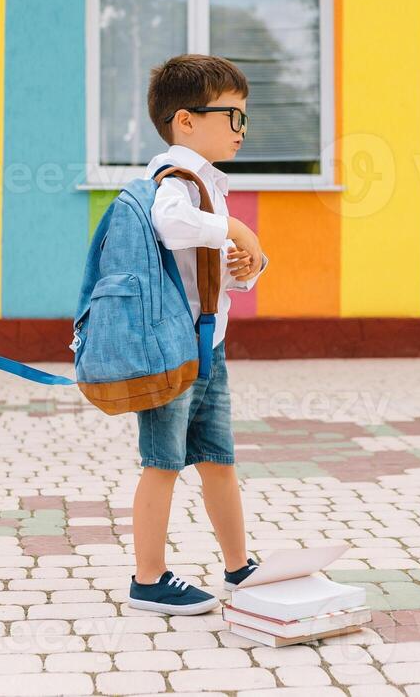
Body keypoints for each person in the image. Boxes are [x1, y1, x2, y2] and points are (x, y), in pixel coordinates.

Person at [126, 54, 271, 615]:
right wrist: (232, 226)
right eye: (231, 116)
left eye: (244, 118)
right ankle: (148, 579)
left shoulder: (209, 181)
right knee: (161, 464)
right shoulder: (175, 175)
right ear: (186, 120)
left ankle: (240, 568)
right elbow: (171, 224)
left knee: (218, 459)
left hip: (208, 341)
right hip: (172, 349)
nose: (241, 130)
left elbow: (214, 264)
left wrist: (249, 265)